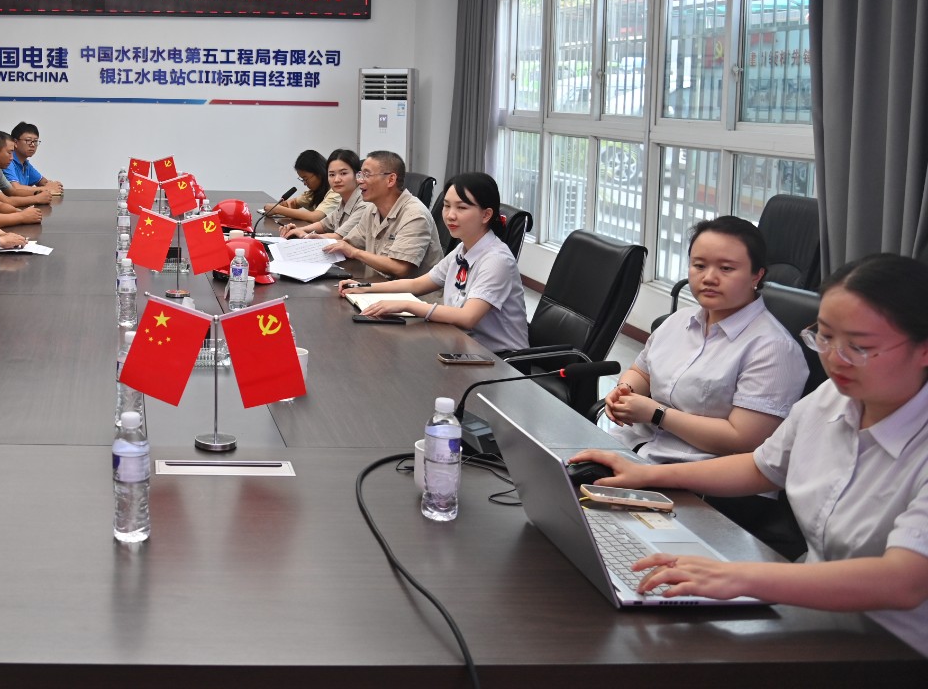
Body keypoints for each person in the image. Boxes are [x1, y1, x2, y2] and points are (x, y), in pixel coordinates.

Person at [572, 254, 928, 656]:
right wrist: (647, 475)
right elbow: (761, 467)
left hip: (899, 645)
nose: (834, 358)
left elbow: (904, 581)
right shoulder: (830, 399)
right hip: (815, 612)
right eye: (825, 337)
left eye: (860, 346)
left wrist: (739, 577)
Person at [605, 216, 807, 465]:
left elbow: (743, 439)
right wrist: (625, 390)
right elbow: (642, 373)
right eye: (699, 265)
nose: (709, 277)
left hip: (694, 474)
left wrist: (657, 414)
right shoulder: (679, 320)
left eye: (726, 268)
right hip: (628, 447)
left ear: (757, 275)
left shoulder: (774, 349)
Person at [341, 171, 527, 353]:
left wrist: (406, 305)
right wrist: (364, 287)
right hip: (461, 344)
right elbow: (417, 284)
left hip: (501, 360)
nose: (450, 215)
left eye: (461, 208)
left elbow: (468, 317)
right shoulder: (462, 250)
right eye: (446, 206)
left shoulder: (496, 260)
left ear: (486, 215)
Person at [319, 149, 443, 279]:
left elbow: (400, 268)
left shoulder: (415, 214)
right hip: (378, 283)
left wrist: (355, 253)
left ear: (390, 180)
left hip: (408, 291)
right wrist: (320, 243)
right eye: (360, 174)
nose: (359, 181)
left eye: (367, 175)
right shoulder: (372, 209)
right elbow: (350, 243)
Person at [282, 149, 365, 239]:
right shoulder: (344, 200)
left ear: (358, 175)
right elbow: (324, 225)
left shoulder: (364, 203)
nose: (336, 180)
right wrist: (298, 229)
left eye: (343, 173)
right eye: (332, 175)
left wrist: (305, 235)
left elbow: (339, 237)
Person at [266, 149, 337, 224]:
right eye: (302, 180)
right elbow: (295, 202)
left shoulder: (336, 192)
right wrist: (287, 204)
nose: (305, 183)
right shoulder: (315, 192)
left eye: (306, 179)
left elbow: (315, 217)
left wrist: (277, 209)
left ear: (319, 173)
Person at [0, 130, 50, 207]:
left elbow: (12, 191)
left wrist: (38, 193)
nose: (12, 158)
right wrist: (36, 198)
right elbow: (5, 201)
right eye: (9, 153)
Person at [5, 122, 63, 193]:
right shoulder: (7, 161)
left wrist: (54, 185)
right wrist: (47, 188)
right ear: (15, 142)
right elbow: (15, 188)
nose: (33, 145)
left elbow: (43, 182)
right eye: (28, 140)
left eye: (35, 141)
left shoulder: (25, 164)